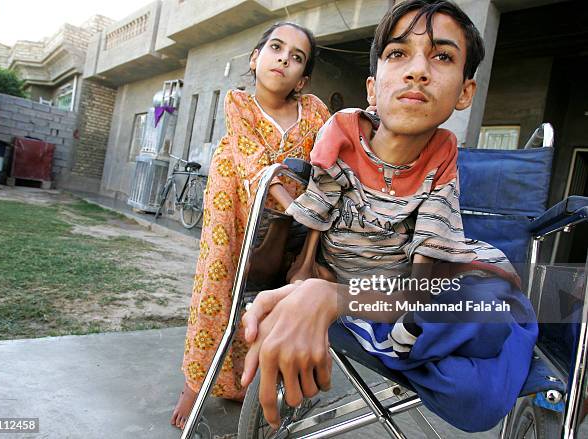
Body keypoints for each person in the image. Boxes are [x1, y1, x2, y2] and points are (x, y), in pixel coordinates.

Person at [240, 0, 538, 433]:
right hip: (357, 283)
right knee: (486, 361)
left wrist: (335, 298)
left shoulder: (442, 157)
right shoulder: (341, 137)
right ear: (373, 87)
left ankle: (406, 336)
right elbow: (312, 219)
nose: (418, 70)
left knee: (492, 313)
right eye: (398, 53)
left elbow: (423, 279)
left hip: (405, 288)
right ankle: (408, 338)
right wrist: (308, 276)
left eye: (442, 56)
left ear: (464, 92)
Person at [170, 22, 330, 429]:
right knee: (218, 287)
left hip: (289, 221)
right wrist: (294, 206)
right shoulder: (238, 102)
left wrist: (303, 218)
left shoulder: (313, 111)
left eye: (296, 57)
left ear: (303, 77)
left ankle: (249, 380)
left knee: (272, 296)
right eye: (276, 48)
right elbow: (257, 164)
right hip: (235, 204)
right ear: (255, 58)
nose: (284, 59)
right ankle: (195, 383)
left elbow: (329, 167)